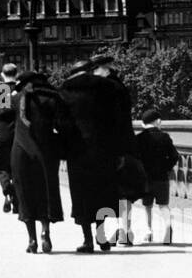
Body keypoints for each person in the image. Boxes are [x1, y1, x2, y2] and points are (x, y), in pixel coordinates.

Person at [60, 53, 136, 252]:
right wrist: (121, 150)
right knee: (101, 192)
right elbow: (118, 121)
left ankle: (87, 241)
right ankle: (101, 236)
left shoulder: (65, 91)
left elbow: (62, 123)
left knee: (82, 194)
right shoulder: (108, 88)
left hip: (77, 151)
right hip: (104, 149)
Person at [11, 71, 72, 253]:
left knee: (24, 192)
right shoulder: (54, 98)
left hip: (21, 150)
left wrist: (6, 88)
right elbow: (63, 127)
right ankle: (46, 231)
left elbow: (1, 111)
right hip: (46, 152)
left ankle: (32, 240)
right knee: (45, 190)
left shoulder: (14, 99)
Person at [135, 108, 179, 245]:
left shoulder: (139, 138)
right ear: (157, 121)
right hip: (161, 177)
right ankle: (167, 228)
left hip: (145, 178)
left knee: (147, 205)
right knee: (163, 205)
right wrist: (166, 167)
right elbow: (174, 156)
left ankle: (149, 231)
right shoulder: (165, 137)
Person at [0, 63, 21, 213]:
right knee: (17, 166)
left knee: (3, 166)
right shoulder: (21, 90)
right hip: (19, 132)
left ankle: (7, 191)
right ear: (16, 73)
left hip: (2, 133)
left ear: (2, 74)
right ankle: (17, 197)